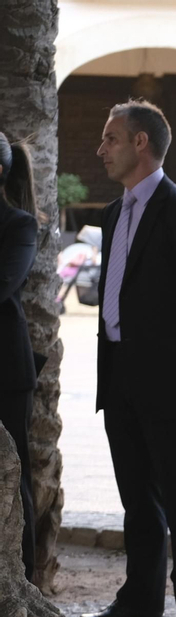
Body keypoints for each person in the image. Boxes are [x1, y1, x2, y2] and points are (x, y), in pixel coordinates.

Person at [76, 101, 176, 617]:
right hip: (118, 375)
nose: (102, 149)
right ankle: (140, 598)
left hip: (173, 382)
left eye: (110, 138)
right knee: (138, 497)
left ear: (141, 143)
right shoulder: (114, 212)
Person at [0, 130, 42, 582]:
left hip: (6, 373)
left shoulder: (19, 225)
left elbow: (4, 284)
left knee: (14, 479)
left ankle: (27, 586)